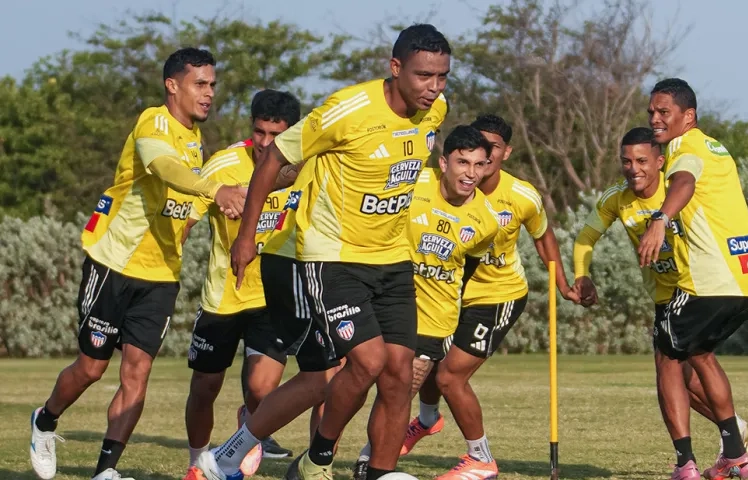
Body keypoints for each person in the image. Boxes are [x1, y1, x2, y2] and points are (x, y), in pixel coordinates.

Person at [199, 23, 451, 480]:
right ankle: (315, 457)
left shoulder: (434, 112)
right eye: (423, 75)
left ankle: (377, 473)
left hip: (393, 259)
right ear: (396, 68)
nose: (433, 87)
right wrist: (246, 237)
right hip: (334, 257)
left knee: (399, 375)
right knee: (366, 361)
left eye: (442, 77)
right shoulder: (347, 110)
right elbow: (274, 158)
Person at [28, 48, 247, 480]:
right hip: (115, 263)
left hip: (161, 276)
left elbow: (182, 202)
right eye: (200, 84)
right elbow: (163, 167)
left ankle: (105, 471)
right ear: (172, 85)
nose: (209, 93)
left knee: (138, 373)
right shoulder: (153, 122)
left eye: (212, 85)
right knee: (91, 368)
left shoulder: (195, 141)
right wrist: (215, 189)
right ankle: (45, 419)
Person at [392, 114, 579, 480]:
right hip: (450, 293)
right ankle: (427, 420)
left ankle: (481, 459)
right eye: (475, 150)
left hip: (497, 295)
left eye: (491, 149)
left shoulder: (521, 196)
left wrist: (563, 284)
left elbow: (543, 236)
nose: (483, 158)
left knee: (449, 377)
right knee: (429, 359)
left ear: (505, 152)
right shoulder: (438, 185)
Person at [571, 126, 748, 465]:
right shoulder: (617, 198)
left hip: (692, 289)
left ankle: (705, 455)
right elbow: (586, 238)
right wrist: (582, 275)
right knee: (681, 376)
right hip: (663, 296)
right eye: (626, 161)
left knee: (681, 364)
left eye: (642, 161)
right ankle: (735, 435)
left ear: (660, 162)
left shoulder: (675, 191)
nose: (634, 169)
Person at [637, 78, 748, 480]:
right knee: (700, 353)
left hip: (711, 279)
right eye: (651, 112)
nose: (655, 119)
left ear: (688, 116)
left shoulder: (686, 148)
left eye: (664, 112)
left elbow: (684, 182)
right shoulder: (715, 146)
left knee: (667, 357)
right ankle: (735, 454)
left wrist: (661, 218)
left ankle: (685, 464)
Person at [354, 125, 499, 480]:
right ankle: (323, 457)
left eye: (479, 165)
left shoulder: (486, 221)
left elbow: (467, 269)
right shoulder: (413, 183)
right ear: (444, 162)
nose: (470, 173)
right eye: (462, 162)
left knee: (396, 393)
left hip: (433, 318)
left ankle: (371, 461)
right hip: (383, 301)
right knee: (353, 380)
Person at [180, 89, 300, 478]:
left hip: (272, 297)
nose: (265, 142)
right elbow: (187, 219)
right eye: (259, 132)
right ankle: (197, 462)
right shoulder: (224, 165)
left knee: (262, 391)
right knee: (205, 387)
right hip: (223, 296)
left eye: (275, 135)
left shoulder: (306, 167)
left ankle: (243, 435)